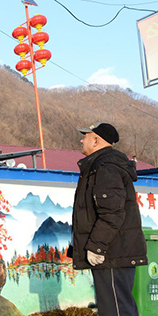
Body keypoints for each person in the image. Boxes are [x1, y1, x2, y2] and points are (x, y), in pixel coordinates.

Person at [71, 121, 148, 316]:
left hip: (111, 253)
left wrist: (96, 246)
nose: (81, 140)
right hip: (112, 251)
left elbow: (112, 213)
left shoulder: (106, 168)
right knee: (116, 307)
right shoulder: (100, 166)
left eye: (85, 136)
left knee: (115, 309)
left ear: (96, 140)